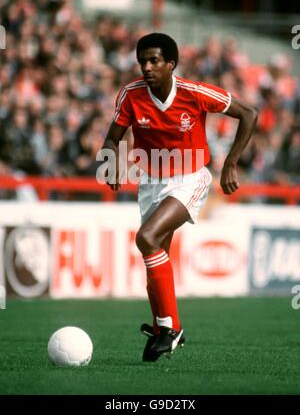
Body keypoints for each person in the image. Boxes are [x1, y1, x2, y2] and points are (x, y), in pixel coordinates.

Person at [99, 33, 258, 362]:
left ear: (171, 64)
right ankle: (166, 329)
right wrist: (110, 161)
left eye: (154, 60)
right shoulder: (131, 95)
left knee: (147, 238)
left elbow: (249, 114)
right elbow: (111, 139)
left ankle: (168, 329)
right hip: (151, 181)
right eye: (142, 60)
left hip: (190, 178)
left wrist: (230, 164)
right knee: (154, 253)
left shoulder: (194, 93)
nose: (146, 66)